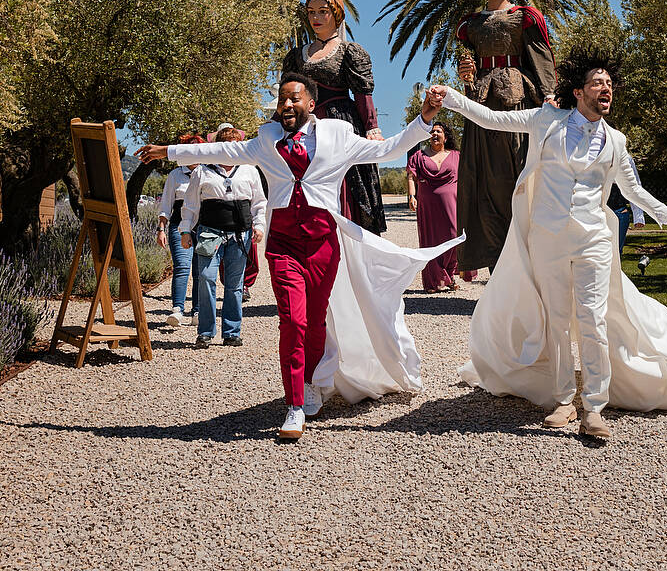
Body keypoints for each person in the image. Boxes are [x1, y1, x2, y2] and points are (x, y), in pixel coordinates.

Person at [432, 52, 667, 441]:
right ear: (578, 91)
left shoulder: (616, 141)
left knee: (593, 320)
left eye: (609, 84)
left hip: (593, 239)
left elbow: (632, 189)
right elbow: (493, 118)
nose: (605, 88)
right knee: (557, 321)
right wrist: (452, 98)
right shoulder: (547, 120)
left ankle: (594, 407)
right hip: (547, 239)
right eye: (597, 83)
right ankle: (563, 400)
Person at [137, 76, 456, 442]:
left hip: (323, 245)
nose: (286, 105)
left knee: (316, 322)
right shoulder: (266, 140)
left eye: (294, 99)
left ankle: (313, 381)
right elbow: (222, 151)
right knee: (292, 321)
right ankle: (294, 404)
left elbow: (387, 150)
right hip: (283, 245)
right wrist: (169, 152)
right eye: (282, 99)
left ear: (311, 104)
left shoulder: (338, 135)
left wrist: (424, 118)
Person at [454, 0, 556, 276]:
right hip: (481, 103)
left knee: (519, 178)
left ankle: (531, 266)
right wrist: (466, 74)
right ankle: (498, 272)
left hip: (518, 100)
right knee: (484, 183)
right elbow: (468, 65)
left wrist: (550, 96)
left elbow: (541, 59)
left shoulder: (524, 17)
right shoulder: (470, 24)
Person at [281, 0, 387, 233]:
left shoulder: (349, 51)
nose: (316, 17)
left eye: (323, 12)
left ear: (337, 15)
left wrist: (372, 128)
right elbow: (287, 96)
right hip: (304, 126)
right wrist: (278, 123)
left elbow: (362, 94)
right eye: (311, 12)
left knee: (346, 185)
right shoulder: (296, 56)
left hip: (340, 123)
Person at [178, 125, 267, 348]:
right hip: (209, 232)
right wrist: (186, 230)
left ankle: (232, 332)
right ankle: (205, 332)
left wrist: (259, 226)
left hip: (240, 234)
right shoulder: (202, 171)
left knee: (235, 284)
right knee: (206, 278)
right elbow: (190, 204)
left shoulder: (249, 170)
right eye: (225, 144)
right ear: (217, 147)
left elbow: (259, 203)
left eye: (234, 145)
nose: (229, 149)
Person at [406, 121, 461, 292]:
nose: (435, 134)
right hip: (427, 204)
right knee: (430, 240)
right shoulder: (419, 156)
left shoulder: (456, 156)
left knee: (453, 236)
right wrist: (412, 196)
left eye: (438, 131)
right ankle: (432, 281)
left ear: (446, 137)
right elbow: (411, 177)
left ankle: (448, 275)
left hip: (452, 203)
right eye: (432, 132)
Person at [155, 131, 200, 326]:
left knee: (201, 270)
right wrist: (161, 229)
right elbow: (166, 204)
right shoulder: (175, 175)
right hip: (178, 225)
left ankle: (198, 311)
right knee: (182, 267)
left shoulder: (207, 172)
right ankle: (177, 310)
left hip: (203, 226)